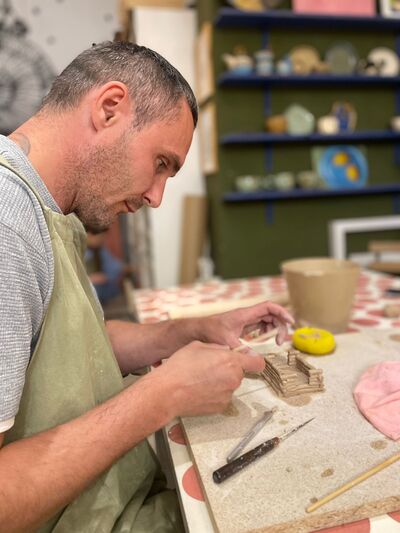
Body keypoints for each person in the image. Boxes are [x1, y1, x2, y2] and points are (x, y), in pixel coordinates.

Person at [0, 41, 293, 532]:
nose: (156, 197)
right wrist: (163, 395)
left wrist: (190, 331)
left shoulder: (46, 206)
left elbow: (67, 349)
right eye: (161, 163)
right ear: (109, 108)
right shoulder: (7, 225)